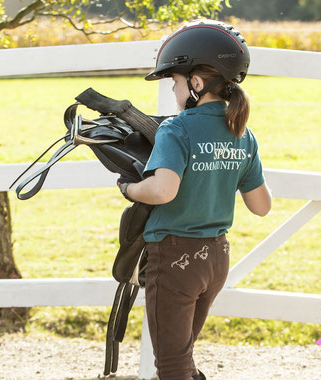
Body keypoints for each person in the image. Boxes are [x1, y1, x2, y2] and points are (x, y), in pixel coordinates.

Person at [117, 20, 272, 380]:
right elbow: (262, 206)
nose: (174, 91)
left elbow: (162, 190)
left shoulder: (177, 128)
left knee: (172, 367)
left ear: (196, 84)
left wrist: (128, 188)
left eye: (175, 82)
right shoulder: (242, 134)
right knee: (183, 360)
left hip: (174, 260)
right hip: (215, 260)